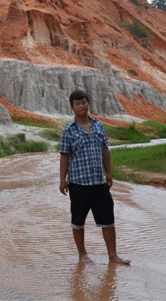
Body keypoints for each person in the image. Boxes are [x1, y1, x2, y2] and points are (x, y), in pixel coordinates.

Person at [59, 89, 131, 265]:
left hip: (99, 182)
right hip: (78, 183)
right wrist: (62, 180)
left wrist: (109, 173)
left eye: (84, 102)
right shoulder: (68, 130)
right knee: (78, 221)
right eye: (78, 103)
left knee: (108, 219)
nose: (82, 106)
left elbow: (105, 150)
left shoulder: (98, 126)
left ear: (87, 103)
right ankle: (82, 255)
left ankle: (113, 256)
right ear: (72, 107)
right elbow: (64, 156)